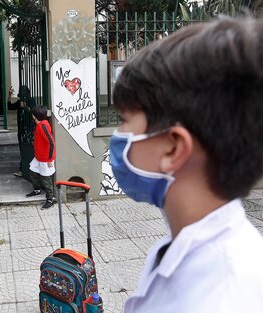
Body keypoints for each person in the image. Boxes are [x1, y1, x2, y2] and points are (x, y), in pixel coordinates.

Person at [109, 18, 263, 312]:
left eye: (124, 121)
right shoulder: (183, 245)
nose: (118, 136)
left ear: (173, 148)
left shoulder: (227, 300)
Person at [26, 106, 55, 209]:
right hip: (39, 156)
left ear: (35, 116)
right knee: (32, 170)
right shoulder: (41, 124)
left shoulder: (42, 126)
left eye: (33, 114)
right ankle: (37, 190)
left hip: (45, 158)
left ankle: (50, 199)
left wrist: (50, 158)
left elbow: (51, 142)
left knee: (46, 178)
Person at [7, 85, 36, 177]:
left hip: (30, 129)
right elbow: (10, 107)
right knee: (22, 149)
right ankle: (24, 169)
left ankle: (26, 170)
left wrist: (26, 106)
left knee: (30, 149)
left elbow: (33, 113)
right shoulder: (19, 101)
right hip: (21, 129)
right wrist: (9, 95)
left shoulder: (31, 101)